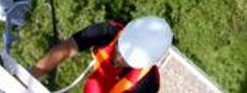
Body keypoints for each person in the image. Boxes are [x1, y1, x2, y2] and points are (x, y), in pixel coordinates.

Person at [31, 15, 173, 93]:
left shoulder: (147, 82)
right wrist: (31, 75)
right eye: (119, 49)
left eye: (127, 60)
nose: (118, 59)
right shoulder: (108, 32)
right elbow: (67, 48)